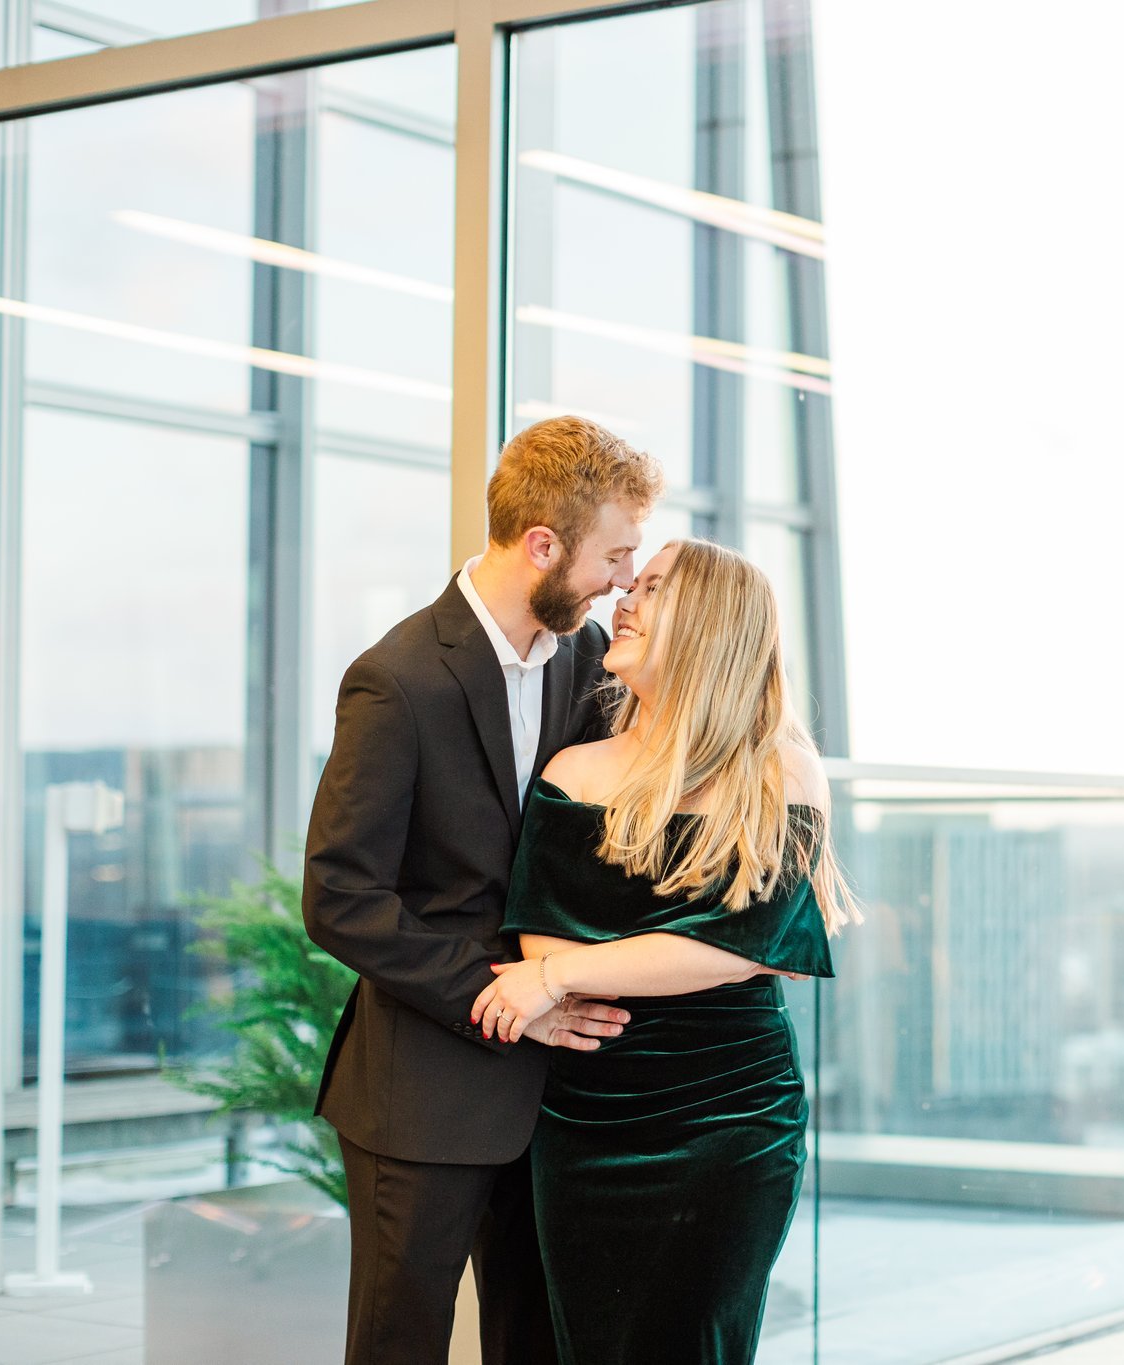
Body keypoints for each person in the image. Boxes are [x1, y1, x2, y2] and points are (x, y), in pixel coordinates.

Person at [302, 416, 663, 1365]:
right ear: (543, 545)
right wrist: (505, 1000)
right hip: (424, 1091)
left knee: (539, 1342)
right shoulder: (396, 677)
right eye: (614, 555)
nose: (624, 579)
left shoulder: (591, 664)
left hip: (565, 1098)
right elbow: (341, 895)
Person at [471, 537, 859, 1364]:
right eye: (632, 584)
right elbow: (545, 933)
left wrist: (564, 973)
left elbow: (746, 946)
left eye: (652, 588)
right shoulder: (573, 769)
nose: (626, 599)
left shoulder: (780, 771)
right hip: (584, 1123)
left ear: (713, 625)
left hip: (731, 1120)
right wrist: (566, 966)